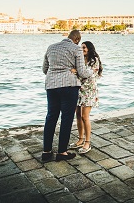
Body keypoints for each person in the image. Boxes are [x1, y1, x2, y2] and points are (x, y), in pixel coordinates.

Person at [41, 30, 92, 162]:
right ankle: (62, 152)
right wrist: (91, 72)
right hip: (69, 86)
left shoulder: (51, 47)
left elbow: (44, 69)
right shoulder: (76, 49)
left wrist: (55, 74)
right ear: (77, 39)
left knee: (51, 117)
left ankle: (46, 152)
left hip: (51, 85)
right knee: (66, 119)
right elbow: (82, 72)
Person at [70, 40, 102, 154]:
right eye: (81, 47)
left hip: (89, 91)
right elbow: (76, 72)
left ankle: (87, 142)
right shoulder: (80, 59)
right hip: (79, 89)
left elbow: (89, 74)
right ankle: (80, 139)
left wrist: (76, 72)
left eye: (84, 47)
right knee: (78, 115)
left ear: (89, 48)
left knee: (85, 116)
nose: (82, 49)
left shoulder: (94, 60)